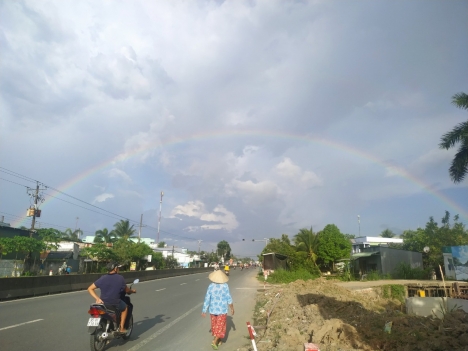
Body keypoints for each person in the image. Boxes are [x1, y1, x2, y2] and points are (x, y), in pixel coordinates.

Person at [87, 262, 136, 333]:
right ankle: (121, 328)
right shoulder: (120, 278)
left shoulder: (103, 278)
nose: (119, 269)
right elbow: (127, 290)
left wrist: (97, 298)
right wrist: (133, 291)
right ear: (115, 269)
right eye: (118, 268)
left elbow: (90, 288)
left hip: (103, 303)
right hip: (115, 303)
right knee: (125, 308)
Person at [201, 270, 234, 350]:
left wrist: (204, 310)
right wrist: (232, 308)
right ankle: (214, 341)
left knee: (216, 326)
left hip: (212, 310)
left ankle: (219, 341)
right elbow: (228, 298)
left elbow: (207, 298)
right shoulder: (225, 286)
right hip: (222, 311)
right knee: (221, 327)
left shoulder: (211, 286)